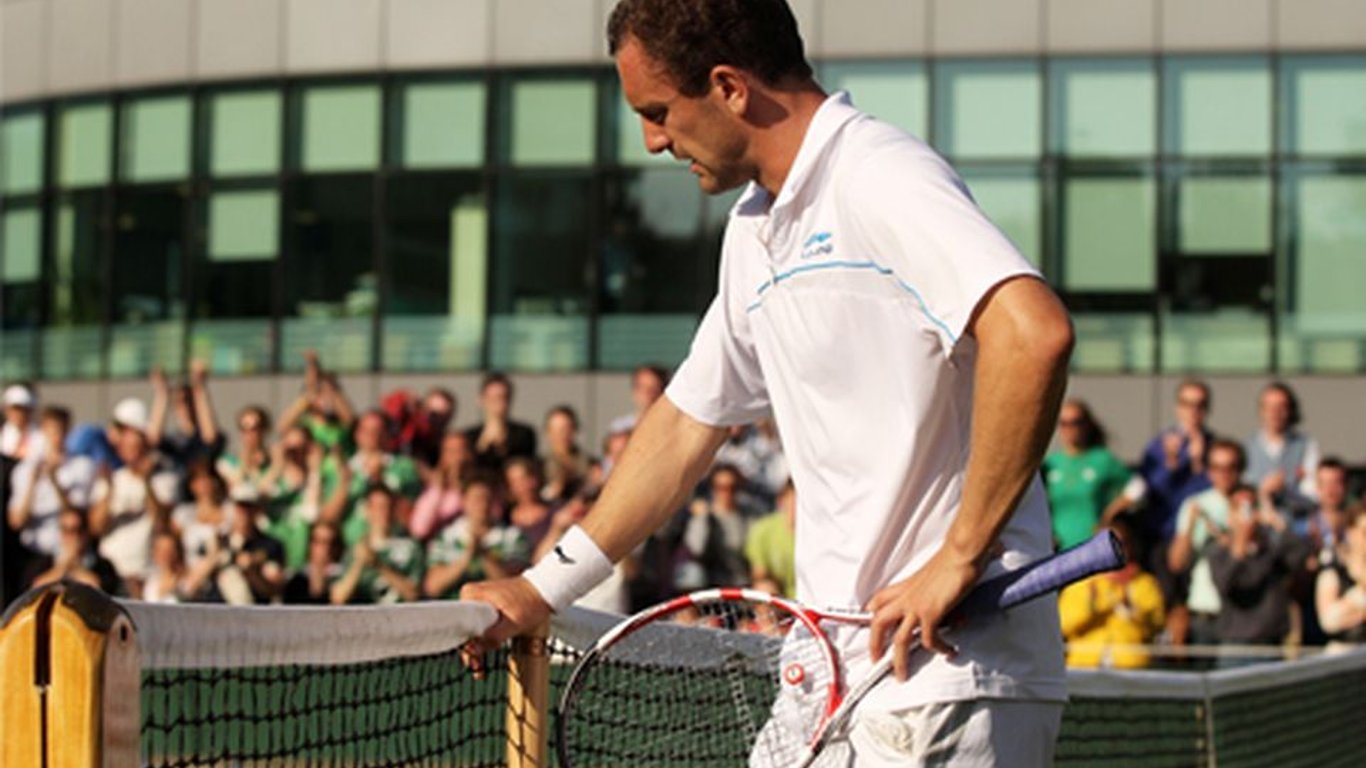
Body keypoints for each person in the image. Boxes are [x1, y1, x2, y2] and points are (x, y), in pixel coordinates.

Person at [463, 1, 1076, 763]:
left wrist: (957, 557)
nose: (653, 140)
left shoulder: (878, 174)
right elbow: (689, 422)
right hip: (827, 679)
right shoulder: (755, 228)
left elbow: (1034, 332)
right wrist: (543, 588)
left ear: (728, 87)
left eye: (659, 112)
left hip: (947, 683)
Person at [1206, 484, 1308, 653]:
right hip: (1236, 646)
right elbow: (1225, 584)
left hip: (1271, 645)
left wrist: (1277, 522)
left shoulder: (1272, 552)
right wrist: (1239, 547)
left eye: (1251, 507)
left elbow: (1301, 553)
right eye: (1239, 508)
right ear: (1230, 514)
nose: (1246, 514)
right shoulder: (1219, 553)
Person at [1167, 439, 1247, 646]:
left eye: (1231, 467)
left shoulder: (1251, 502)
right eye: (1217, 468)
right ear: (1209, 471)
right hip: (1204, 610)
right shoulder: (1196, 504)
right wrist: (1192, 525)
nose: (1224, 474)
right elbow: (1177, 563)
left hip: (1243, 614)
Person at [1058, 516, 1164, 669]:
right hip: (1084, 667)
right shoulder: (1080, 583)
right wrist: (1091, 609)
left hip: (1130, 669)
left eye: (1120, 543)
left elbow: (1156, 626)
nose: (1113, 550)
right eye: (1103, 545)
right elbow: (1063, 626)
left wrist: (1132, 610)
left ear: (1130, 546)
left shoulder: (1144, 583)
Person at [1043, 399, 1131, 550]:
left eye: (1076, 422)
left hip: (1094, 546)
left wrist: (1110, 515)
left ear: (1087, 424)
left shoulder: (1102, 460)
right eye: (1063, 423)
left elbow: (1138, 488)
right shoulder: (1050, 464)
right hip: (1058, 548)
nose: (1069, 429)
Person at [1243, 381, 1320, 519]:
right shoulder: (1246, 447)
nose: (1275, 413)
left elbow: (1313, 496)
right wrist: (1262, 491)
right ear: (1261, 411)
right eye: (1269, 407)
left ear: (1290, 410)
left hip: (1295, 527)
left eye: (1281, 407)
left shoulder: (1306, 446)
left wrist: (1286, 491)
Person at [31, 506, 121, 595]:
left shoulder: (103, 565)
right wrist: (62, 567)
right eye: (66, 530)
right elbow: (35, 589)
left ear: (86, 532)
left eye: (76, 530)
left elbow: (100, 590)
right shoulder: (44, 563)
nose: (71, 536)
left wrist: (75, 568)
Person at [463, 372, 537, 473]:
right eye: (494, 398)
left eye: (504, 398)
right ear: (481, 400)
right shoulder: (469, 436)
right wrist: (483, 442)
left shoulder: (524, 434)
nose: (499, 403)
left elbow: (523, 465)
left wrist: (502, 444)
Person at [1315, 503, 1366, 645]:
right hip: (1345, 655)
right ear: (1351, 533)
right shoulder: (1335, 570)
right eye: (1365, 533)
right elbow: (1329, 621)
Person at [744, 479, 797, 597]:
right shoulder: (763, 529)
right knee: (763, 590)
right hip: (779, 598)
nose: (797, 507)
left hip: (813, 600)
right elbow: (759, 573)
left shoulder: (823, 532)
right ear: (781, 501)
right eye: (794, 501)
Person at [606, 364, 669, 436]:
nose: (647, 394)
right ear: (634, 391)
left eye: (654, 389)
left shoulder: (671, 427)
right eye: (642, 387)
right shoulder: (620, 428)